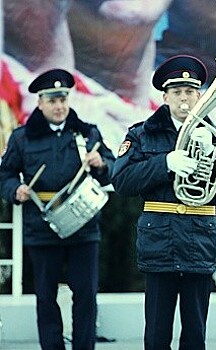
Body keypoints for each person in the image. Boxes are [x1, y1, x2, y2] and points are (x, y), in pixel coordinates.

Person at [110, 55, 216, 350]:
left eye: (189, 92)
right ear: (165, 96)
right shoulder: (141, 134)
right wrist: (165, 163)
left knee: (196, 331)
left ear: (199, 95)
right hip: (160, 237)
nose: (184, 99)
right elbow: (121, 181)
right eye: (177, 92)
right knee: (157, 332)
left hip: (199, 236)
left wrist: (214, 155)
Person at [0, 68, 115, 350]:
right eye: (52, 100)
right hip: (41, 225)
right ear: (40, 103)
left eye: (63, 99)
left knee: (86, 293)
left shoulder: (88, 132)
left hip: (84, 226)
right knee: (45, 294)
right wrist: (15, 190)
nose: (59, 106)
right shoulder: (22, 138)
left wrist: (102, 164)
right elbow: (5, 175)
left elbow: (111, 169)